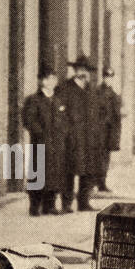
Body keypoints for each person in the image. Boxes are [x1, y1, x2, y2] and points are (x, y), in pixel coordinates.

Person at [20, 65, 70, 216]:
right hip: (41, 143)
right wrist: (40, 134)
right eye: (49, 78)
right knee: (38, 173)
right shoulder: (34, 100)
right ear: (42, 81)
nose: (52, 81)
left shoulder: (59, 100)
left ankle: (50, 205)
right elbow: (29, 120)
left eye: (54, 78)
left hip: (57, 144)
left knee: (55, 174)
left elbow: (66, 120)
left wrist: (63, 134)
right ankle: (34, 206)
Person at [56, 55, 97, 212]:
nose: (83, 73)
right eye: (80, 69)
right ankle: (66, 204)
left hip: (88, 138)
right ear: (74, 70)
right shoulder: (65, 88)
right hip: (72, 137)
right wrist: (66, 132)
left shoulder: (91, 90)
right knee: (69, 170)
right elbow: (60, 114)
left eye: (85, 70)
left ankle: (84, 202)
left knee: (88, 170)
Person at [90, 65, 122, 193]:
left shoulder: (114, 94)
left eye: (110, 77)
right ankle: (93, 183)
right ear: (103, 78)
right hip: (98, 131)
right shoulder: (97, 92)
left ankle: (102, 183)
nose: (108, 79)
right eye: (106, 77)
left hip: (109, 131)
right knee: (96, 157)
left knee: (105, 158)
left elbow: (116, 115)